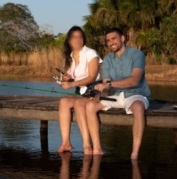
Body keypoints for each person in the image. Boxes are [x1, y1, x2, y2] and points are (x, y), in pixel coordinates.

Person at [86, 27, 151, 160]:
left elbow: (134, 80)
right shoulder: (107, 59)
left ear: (122, 38)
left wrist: (108, 85)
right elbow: (107, 86)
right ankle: (97, 148)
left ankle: (134, 154)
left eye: (113, 39)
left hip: (135, 93)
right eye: (108, 40)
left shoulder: (137, 54)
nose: (111, 43)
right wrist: (100, 94)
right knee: (90, 106)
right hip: (115, 95)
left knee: (138, 107)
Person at [57, 26, 102, 154]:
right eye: (74, 37)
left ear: (84, 39)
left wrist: (72, 84)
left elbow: (92, 76)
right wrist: (67, 79)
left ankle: (87, 145)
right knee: (64, 101)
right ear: (69, 40)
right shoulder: (70, 56)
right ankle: (66, 143)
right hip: (82, 93)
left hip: (94, 92)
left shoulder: (91, 53)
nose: (77, 40)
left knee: (78, 103)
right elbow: (72, 78)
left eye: (80, 37)